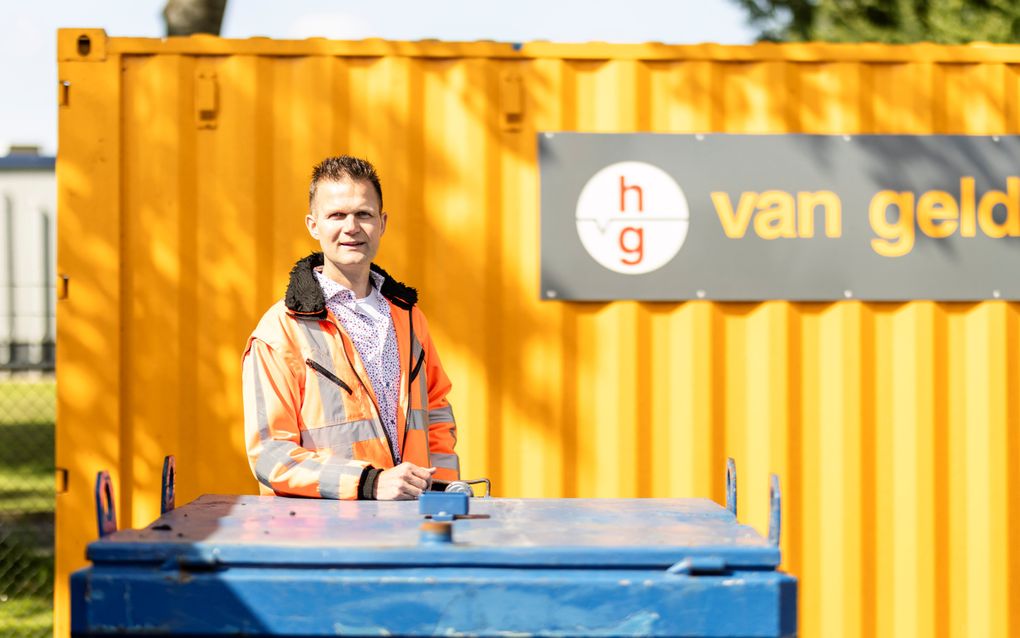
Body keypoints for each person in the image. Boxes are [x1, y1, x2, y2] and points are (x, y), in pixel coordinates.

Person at [242, 155, 459, 500]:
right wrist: (369, 483)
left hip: (409, 521)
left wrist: (443, 493)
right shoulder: (281, 330)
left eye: (363, 214)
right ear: (313, 225)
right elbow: (270, 455)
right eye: (337, 215)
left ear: (382, 222)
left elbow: (435, 413)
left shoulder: (408, 316)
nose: (351, 227)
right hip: (321, 533)